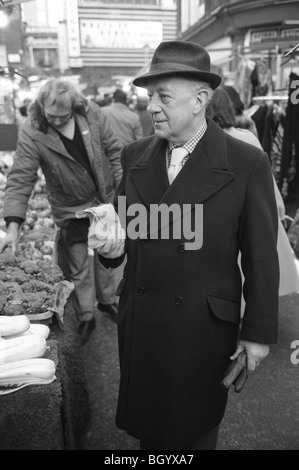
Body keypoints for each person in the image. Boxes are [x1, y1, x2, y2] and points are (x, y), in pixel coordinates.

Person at [92, 40, 279, 450]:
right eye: (148, 97)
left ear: (200, 100)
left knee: (192, 434)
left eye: (163, 97)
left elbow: (261, 256)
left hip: (201, 330)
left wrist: (258, 333)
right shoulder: (135, 155)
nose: (151, 107)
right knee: (149, 435)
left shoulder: (246, 163)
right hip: (143, 322)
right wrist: (109, 249)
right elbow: (127, 237)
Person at [0, 78, 123, 345]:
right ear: (41, 107)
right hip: (70, 209)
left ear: (75, 107)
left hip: (104, 201)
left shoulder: (92, 113)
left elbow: (115, 151)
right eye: (51, 116)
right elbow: (21, 176)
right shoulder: (33, 130)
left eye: (63, 116)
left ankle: (107, 301)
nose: (56, 121)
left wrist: (123, 193)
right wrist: (13, 224)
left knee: (108, 255)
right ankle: (87, 314)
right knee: (78, 264)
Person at [207, 86, 299, 300]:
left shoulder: (205, 143)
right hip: (251, 223)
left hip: (219, 231)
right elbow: (269, 186)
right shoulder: (246, 137)